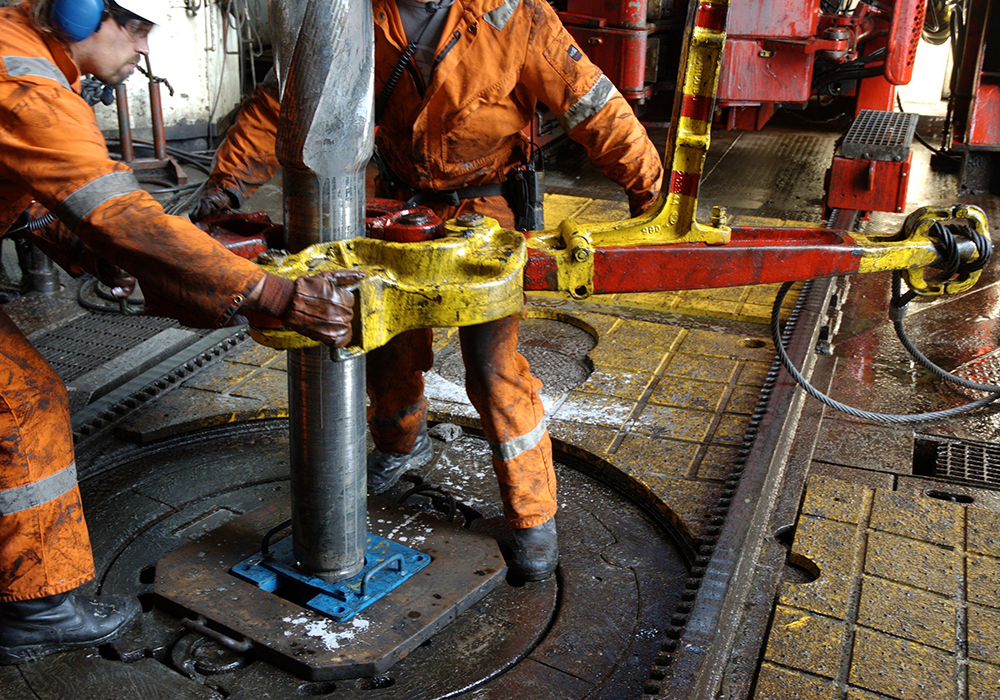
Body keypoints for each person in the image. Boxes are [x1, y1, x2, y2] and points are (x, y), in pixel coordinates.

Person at [192, 0, 663, 582]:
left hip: (483, 214)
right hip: (392, 207)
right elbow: (286, 101)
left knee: (492, 368)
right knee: (383, 344)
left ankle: (533, 512)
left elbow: (594, 106)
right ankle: (400, 445)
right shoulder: (355, 11)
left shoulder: (517, 16)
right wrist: (227, 184)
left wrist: (651, 195)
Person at [0, 0, 361, 663]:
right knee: (21, 406)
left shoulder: (23, 54)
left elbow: (26, 193)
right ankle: (38, 610)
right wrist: (273, 292)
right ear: (79, 13)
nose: (144, 47)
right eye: (136, 27)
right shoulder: (26, 85)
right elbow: (120, 214)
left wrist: (82, 249)